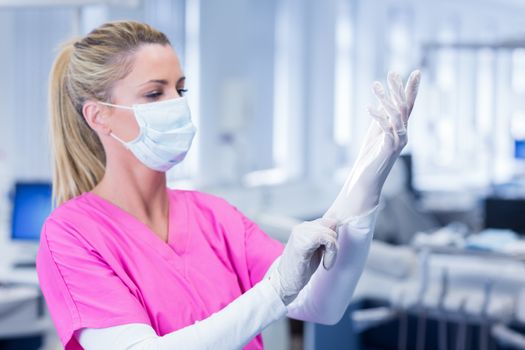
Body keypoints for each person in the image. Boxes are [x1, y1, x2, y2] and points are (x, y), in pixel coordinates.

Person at [36, 20, 420, 350]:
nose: (176, 104)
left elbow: (323, 304)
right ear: (99, 116)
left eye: (179, 89)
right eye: (155, 93)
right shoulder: (71, 235)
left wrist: (367, 180)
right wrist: (273, 292)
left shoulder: (213, 216)